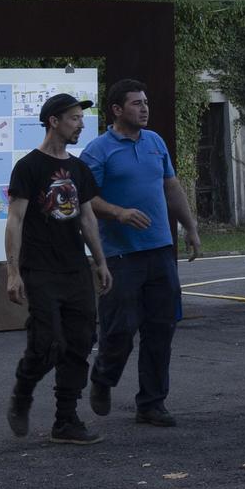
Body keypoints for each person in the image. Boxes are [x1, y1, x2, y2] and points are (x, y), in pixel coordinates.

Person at [81, 78, 200, 428]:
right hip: (121, 255)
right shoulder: (98, 151)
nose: (145, 108)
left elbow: (171, 186)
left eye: (145, 102)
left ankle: (151, 403)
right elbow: (86, 200)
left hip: (160, 250)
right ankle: (103, 377)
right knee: (119, 331)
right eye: (136, 103)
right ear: (117, 110)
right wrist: (118, 212)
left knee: (161, 328)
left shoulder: (155, 142)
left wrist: (190, 228)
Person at [5, 92, 114, 445]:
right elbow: (15, 220)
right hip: (39, 269)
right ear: (54, 121)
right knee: (47, 342)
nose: (80, 124)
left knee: (81, 341)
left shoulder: (79, 170)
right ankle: (23, 391)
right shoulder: (29, 167)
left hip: (75, 270)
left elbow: (87, 219)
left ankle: (65, 420)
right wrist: (12, 272)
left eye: (81, 119)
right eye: (74, 118)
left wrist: (100, 262)